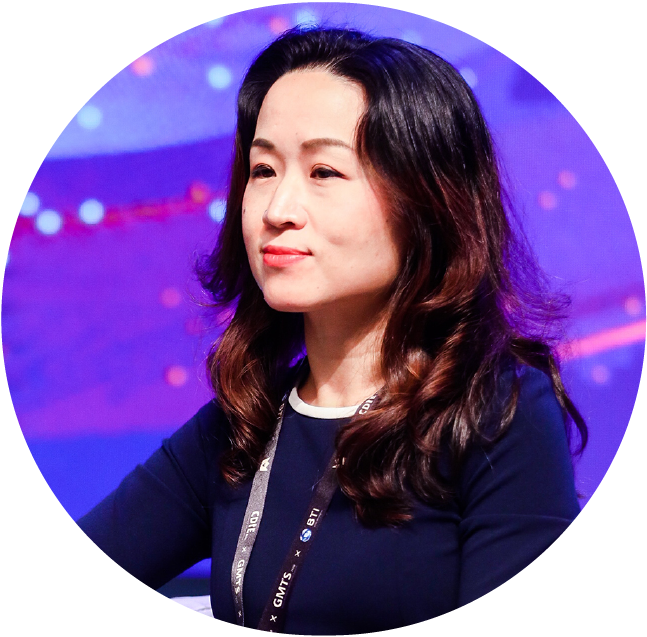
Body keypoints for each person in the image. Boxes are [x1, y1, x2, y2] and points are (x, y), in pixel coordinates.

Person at [78, 27, 587, 635]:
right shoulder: (247, 422)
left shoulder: (497, 412)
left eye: (323, 171)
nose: (277, 210)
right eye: (263, 169)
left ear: (427, 200)